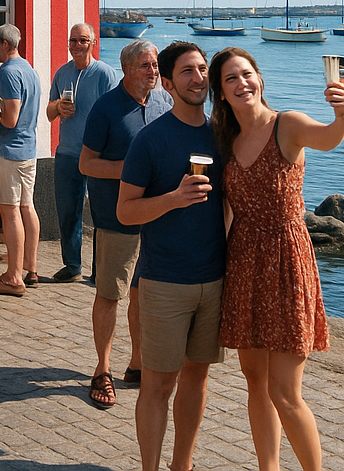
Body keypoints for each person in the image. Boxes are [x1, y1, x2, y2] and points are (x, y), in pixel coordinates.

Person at [209, 47, 344, 471]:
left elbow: (326, 138)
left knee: (286, 393)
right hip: (244, 263)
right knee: (255, 382)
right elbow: (227, 208)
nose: (242, 83)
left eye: (247, 74)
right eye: (231, 79)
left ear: (260, 79)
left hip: (287, 262)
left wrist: (342, 113)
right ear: (221, 92)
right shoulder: (226, 140)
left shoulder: (285, 125)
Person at [117, 41, 225, 471]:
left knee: (197, 380)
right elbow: (126, 211)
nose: (198, 78)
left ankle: (182, 465)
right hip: (163, 282)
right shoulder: (150, 140)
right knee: (158, 384)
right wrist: (173, 198)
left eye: (202, 70)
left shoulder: (222, 134)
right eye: (187, 71)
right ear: (167, 82)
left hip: (214, 280)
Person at [79, 39, 172, 409]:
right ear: (129, 68)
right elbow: (87, 164)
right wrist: (131, 171)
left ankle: (137, 364)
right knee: (110, 293)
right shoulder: (106, 109)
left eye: (156, 66)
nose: (154, 71)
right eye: (148, 65)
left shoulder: (165, 102)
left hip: (158, 219)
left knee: (142, 293)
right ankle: (102, 368)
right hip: (116, 218)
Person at [45, 23, 118, 282]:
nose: (77, 45)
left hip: (98, 155)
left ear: (93, 43)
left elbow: (116, 115)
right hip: (67, 152)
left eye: (83, 40)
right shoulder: (62, 73)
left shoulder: (105, 74)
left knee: (100, 214)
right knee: (67, 211)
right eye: (73, 40)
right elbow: (49, 112)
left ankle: (100, 270)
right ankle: (72, 265)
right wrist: (58, 107)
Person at [0, 24, 42, 297]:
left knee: (9, 210)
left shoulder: (7, 72)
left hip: (9, 149)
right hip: (29, 147)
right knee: (27, 207)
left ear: (6, 44)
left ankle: (13, 275)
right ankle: (30, 266)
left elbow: (10, 118)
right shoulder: (29, 69)